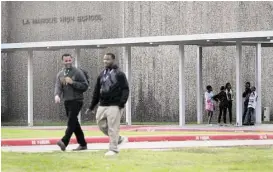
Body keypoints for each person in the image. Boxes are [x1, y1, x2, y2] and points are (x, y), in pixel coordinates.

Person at [85, 53, 129, 156]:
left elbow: (125, 89)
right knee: (100, 123)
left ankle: (113, 149)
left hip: (115, 105)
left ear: (113, 60)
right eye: (104, 59)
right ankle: (118, 139)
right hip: (103, 104)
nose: (105, 61)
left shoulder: (119, 74)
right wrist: (92, 106)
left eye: (108, 59)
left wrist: (121, 103)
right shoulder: (101, 74)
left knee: (113, 127)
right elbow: (96, 91)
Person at [54, 53, 88, 151]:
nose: (68, 62)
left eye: (69, 60)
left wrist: (73, 82)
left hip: (77, 100)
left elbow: (85, 86)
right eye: (66, 61)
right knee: (74, 123)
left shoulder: (77, 72)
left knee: (71, 121)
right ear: (62, 61)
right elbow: (58, 86)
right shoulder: (60, 74)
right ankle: (83, 144)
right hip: (67, 101)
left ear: (72, 60)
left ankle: (64, 141)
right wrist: (57, 95)